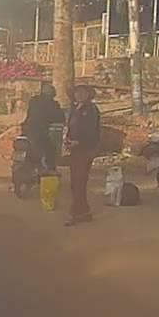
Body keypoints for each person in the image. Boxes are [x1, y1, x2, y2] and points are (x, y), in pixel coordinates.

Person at [64, 85, 101, 225]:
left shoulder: (91, 110)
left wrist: (78, 142)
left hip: (86, 149)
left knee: (79, 181)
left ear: (88, 95)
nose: (79, 95)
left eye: (82, 93)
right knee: (75, 182)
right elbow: (71, 127)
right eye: (77, 92)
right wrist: (68, 139)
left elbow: (92, 131)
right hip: (74, 150)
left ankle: (75, 214)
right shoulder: (74, 109)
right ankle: (84, 212)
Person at [21, 82, 62, 173]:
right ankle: (50, 169)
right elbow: (60, 117)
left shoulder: (33, 100)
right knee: (51, 149)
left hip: (26, 130)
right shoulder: (52, 104)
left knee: (32, 150)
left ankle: (33, 167)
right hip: (40, 132)